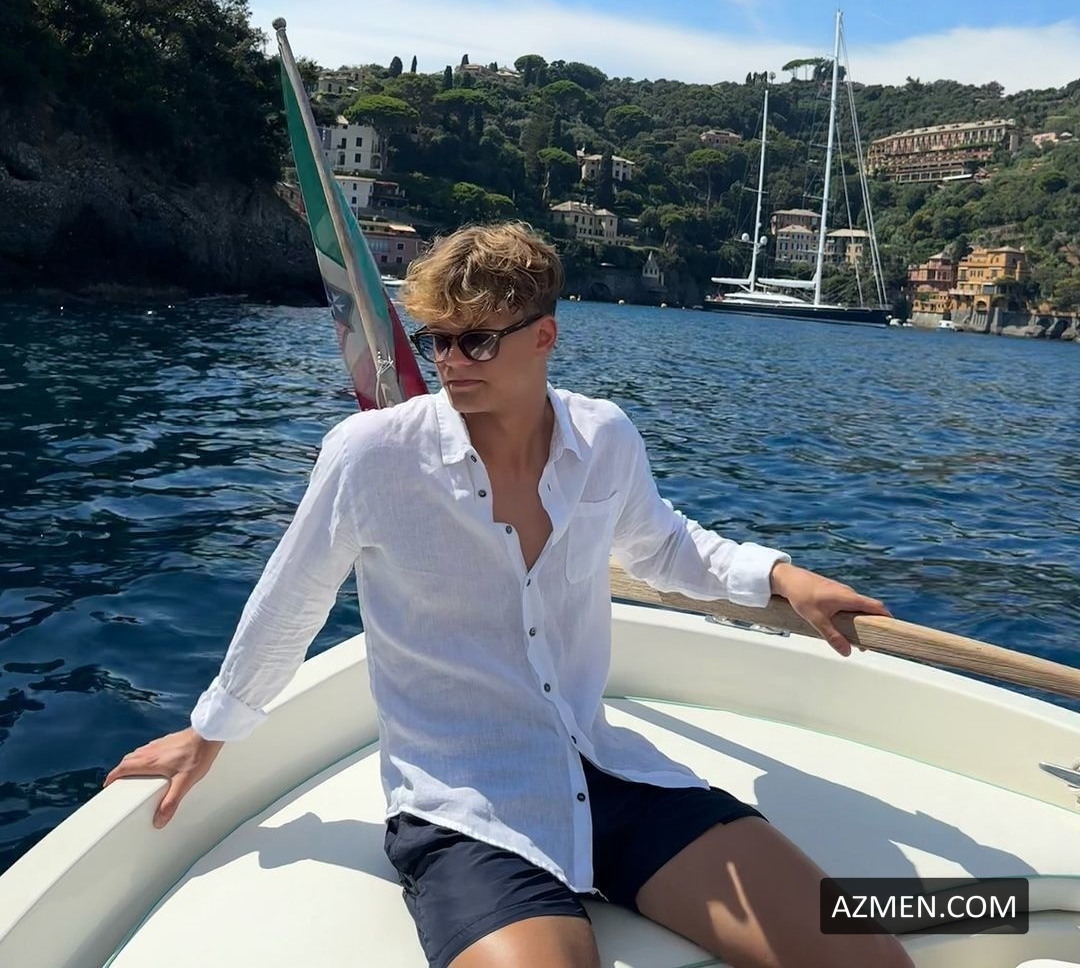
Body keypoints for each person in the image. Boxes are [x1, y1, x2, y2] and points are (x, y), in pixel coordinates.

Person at [105, 222, 912, 968]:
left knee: (869, 961)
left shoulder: (604, 438)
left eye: (478, 341)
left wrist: (783, 577)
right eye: (438, 340)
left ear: (543, 337)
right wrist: (209, 734)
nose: (452, 362)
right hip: (463, 808)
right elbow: (290, 603)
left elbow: (665, 546)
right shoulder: (372, 457)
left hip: (611, 775)